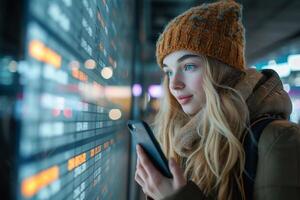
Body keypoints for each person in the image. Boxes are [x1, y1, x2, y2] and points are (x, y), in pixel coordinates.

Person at [134, 0, 300, 200]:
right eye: (169, 72)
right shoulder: (187, 138)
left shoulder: (279, 138)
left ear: (221, 70)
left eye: (188, 67)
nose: (174, 84)